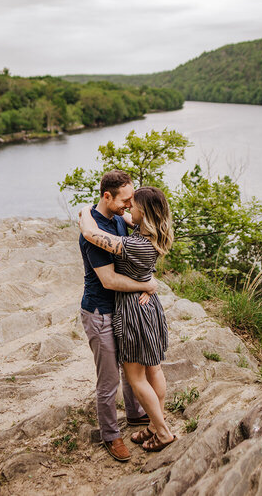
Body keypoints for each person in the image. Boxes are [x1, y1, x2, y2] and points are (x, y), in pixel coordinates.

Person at [79, 185, 177, 453]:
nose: (127, 208)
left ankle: (163, 431)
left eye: (133, 205)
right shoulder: (149, 234)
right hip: (149, 308)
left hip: (134, 312)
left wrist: (85, 209)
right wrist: (148, 284)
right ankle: (157, 425)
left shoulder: (134, 244)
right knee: (154, 369)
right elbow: (118, 214)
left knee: (136, 379)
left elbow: (90, 233)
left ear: (143, 213)